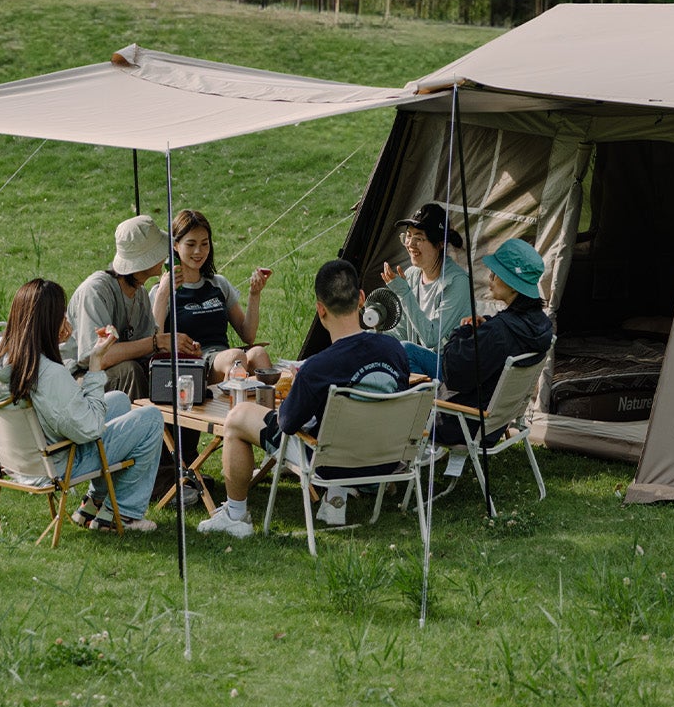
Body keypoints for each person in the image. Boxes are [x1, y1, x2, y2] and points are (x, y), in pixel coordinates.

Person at [197, 258, 410, 538]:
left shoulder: (317, 368)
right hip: (385, 457)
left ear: (320, 310)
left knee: (237, 418)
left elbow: (286, 424)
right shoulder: (394, 350)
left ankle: (236, 515)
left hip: (332, 464)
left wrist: (297, 390)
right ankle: (338, 498)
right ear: (361, 299)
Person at [0, 278, 165, 533]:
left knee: (118, 400)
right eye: (62, 316)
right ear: (49, 322)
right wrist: (95, 363)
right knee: (150, 418)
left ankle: (93, 504)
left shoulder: (4, 354)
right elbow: (89, 429)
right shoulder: (48, 374)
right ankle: (122, 514)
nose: (66, 322)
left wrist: (62, 347)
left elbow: (57, 402)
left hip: (20, 458)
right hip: (56, 465)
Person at [432, 238, 553, 445]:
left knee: (407, 357)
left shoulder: (499, 332)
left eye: (496, 273)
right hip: (495, 423)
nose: (490, 276)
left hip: (460, 422)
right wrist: (486, 324)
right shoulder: (540, 326)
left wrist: (461, 331)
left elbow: (452, 372)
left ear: (514, 286)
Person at [64, 215, 198, 400]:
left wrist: (183, 350)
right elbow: (98, 357)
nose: (165, 256)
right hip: (77, 380)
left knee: (171, 374)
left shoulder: (140, 293)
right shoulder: (95, 290)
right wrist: (158, 341)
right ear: (145, 260)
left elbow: (147, 351)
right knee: (130, 371)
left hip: (110, 377)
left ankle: (176, 427)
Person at [149, 208, 274, 379]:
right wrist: (163, 293)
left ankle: (266, 404)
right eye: (191, 244)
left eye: (204, 243)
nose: (198, 251)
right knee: (236, 357)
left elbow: (248, 336)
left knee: (258, 353)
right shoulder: (162, 291)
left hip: (223, 358)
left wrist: (254, 294)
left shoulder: (218, 284)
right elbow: (155, 343)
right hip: (191, 365)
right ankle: (236, 405)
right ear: (175, 245)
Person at [380, 202, 472, 374]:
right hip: (418, 362)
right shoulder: (413, 275)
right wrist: (371, 336)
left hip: (449, 370)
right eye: (408, 236)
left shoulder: (457, 282)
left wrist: (404, 293)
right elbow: (402, 332)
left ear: (440, 243)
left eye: (419, 238)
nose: (410, 244)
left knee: (405, 351)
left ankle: (419, 398)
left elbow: (431, 338)